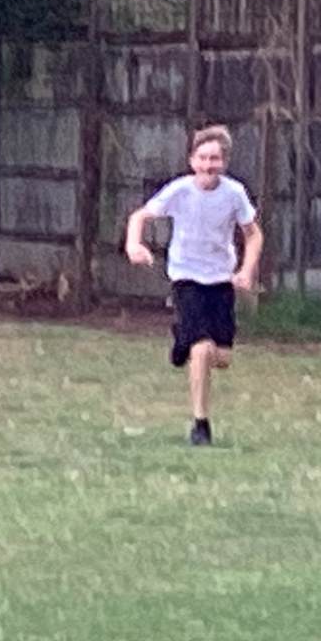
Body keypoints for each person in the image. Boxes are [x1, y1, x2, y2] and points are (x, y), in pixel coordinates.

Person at [125, 124, 264, 447]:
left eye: (214, 159)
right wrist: (134, 245)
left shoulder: (234, 193)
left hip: (220, 279)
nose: (207, 165)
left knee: (223, 358)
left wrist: (246, 271)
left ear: (224, 162)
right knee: (201, 350)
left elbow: (253, 234)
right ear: (191, 161)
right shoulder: (179, 190)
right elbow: (139, 217)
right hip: (186, 278)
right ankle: (201, 425)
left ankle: (182, 339)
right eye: (202, 158)